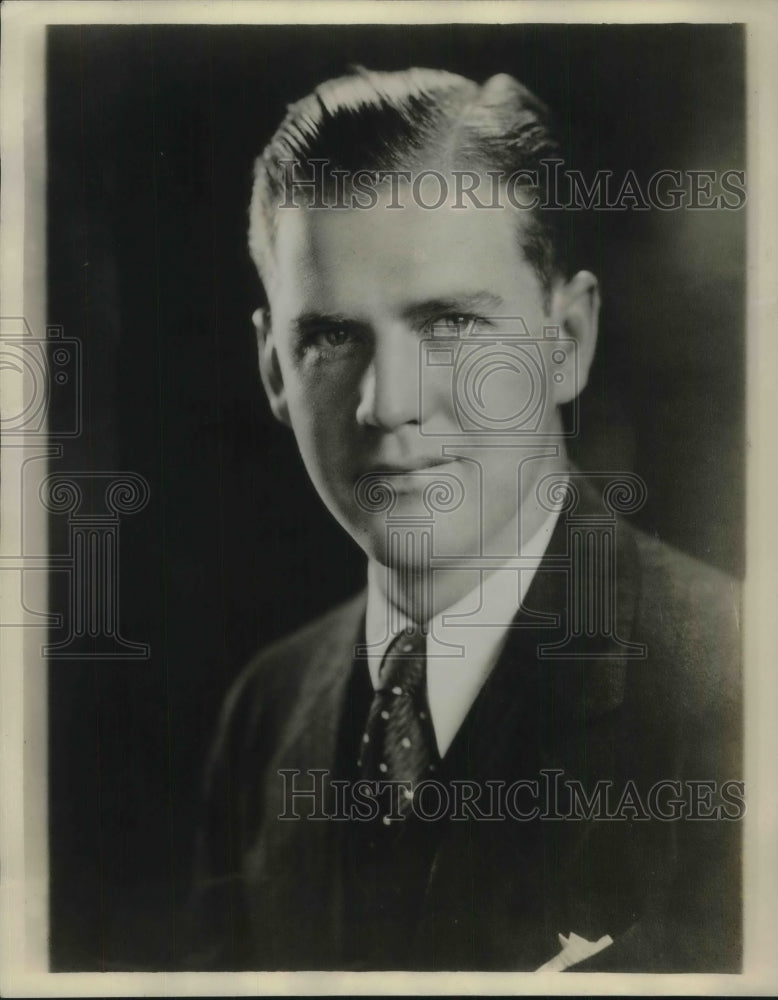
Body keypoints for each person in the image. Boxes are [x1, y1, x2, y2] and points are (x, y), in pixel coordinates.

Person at [187, 67, 742, 973]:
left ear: (566, 343)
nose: (386, 402)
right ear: (275, 372)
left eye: (448, 324)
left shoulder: (741, 691)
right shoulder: (264, 712)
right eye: (331, 337)